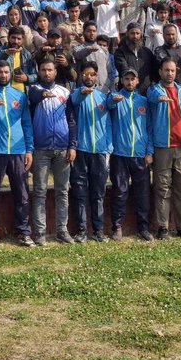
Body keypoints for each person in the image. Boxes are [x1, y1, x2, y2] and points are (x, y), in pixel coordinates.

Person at [0, 59, 36, 248]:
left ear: (10, 74)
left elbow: (26, 123)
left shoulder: (20, 96)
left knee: (22, 194)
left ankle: (23, 232)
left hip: (18, 151)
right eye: (0, 72)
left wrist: (29, 149)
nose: (3, 75)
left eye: (6, 72)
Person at [146, 58, 181, 239]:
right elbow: (149, 122)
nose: (169, 73)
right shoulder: (154, 90)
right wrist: (150, 150)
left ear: (176, 72)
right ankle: (163, 227)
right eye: (166, 70)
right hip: (162, 147)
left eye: (172, 70)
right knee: (162, 189)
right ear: (160, 71)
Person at [28, 59, 75, 245]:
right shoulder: (33, 89)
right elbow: (34, 96)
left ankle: (62, 231)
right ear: (39, 71)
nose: (46, 73)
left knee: (62, 191)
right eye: (43, 70)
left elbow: (71, 120)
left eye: (50, 70)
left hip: (63, 149)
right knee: (39, 191)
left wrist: (72, 146)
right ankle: (40, 233)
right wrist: (43, 94)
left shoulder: (65, 92)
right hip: (41, 149)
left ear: (56, 72)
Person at [67, 61, 111, 243]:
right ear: (81, 76)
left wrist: (109, 147)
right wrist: (81, 93)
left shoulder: (103, 98)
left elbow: (109, 123)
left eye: (92, 74)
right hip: (80, 151)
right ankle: (82, 230)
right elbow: (74, 101)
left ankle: (98, 230)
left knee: (98, 192)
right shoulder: (75, 95)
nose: (89, 77)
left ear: (96, 76)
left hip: (100, 151)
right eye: (85, 74)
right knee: (80, 192)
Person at [107, 67, 151, 241]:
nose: (130, 82)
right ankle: (117, 227)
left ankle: (143, 228)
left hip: (140, 154)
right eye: (126, 79)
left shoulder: (143, 101)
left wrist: (149, 151)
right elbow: (109, 103)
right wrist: (113, 100)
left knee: (143, 193)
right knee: (120, 191)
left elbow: (149, 128)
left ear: (137, 81)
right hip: (120, 154)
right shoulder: (116, 97)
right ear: (122, 81)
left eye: (133, 79)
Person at [114, 22, 152, 92]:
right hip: (127, 92)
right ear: (127, 34)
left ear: (141, 35)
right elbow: (123, 69)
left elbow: (153, 71)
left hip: (145, 92)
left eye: (137, 33)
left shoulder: (147, 52)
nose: (135, 36)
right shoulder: (120, 52)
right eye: (132, 33)